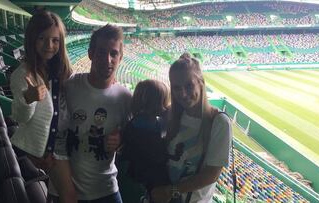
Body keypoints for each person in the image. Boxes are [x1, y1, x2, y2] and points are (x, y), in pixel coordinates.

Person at [52, 24, 132, 203]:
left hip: (106, 190)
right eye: (101, 52)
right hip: (65, 192)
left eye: (114, 53)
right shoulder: (69, 86)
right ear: (90, 54)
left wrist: (122, 140)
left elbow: (132, 142)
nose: (108, 60)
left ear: (121, 57)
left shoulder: (126, 98)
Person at [9, 10, 76, 203]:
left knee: (57, 193)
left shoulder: (61, 69)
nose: (49, 45)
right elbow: (21, 118)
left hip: (64, 143)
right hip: (45, 149)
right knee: (69, 196)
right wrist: (28, 99)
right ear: (31, 39)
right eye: (42, 38)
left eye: (55, 40)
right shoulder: (23, 74)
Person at [150, 53, 232, 203]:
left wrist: (170, 191)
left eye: (189, 85)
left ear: (201, 82)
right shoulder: (171, 115)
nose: (183, 94)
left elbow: (211, 175)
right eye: (176, 88)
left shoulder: (219, 122)